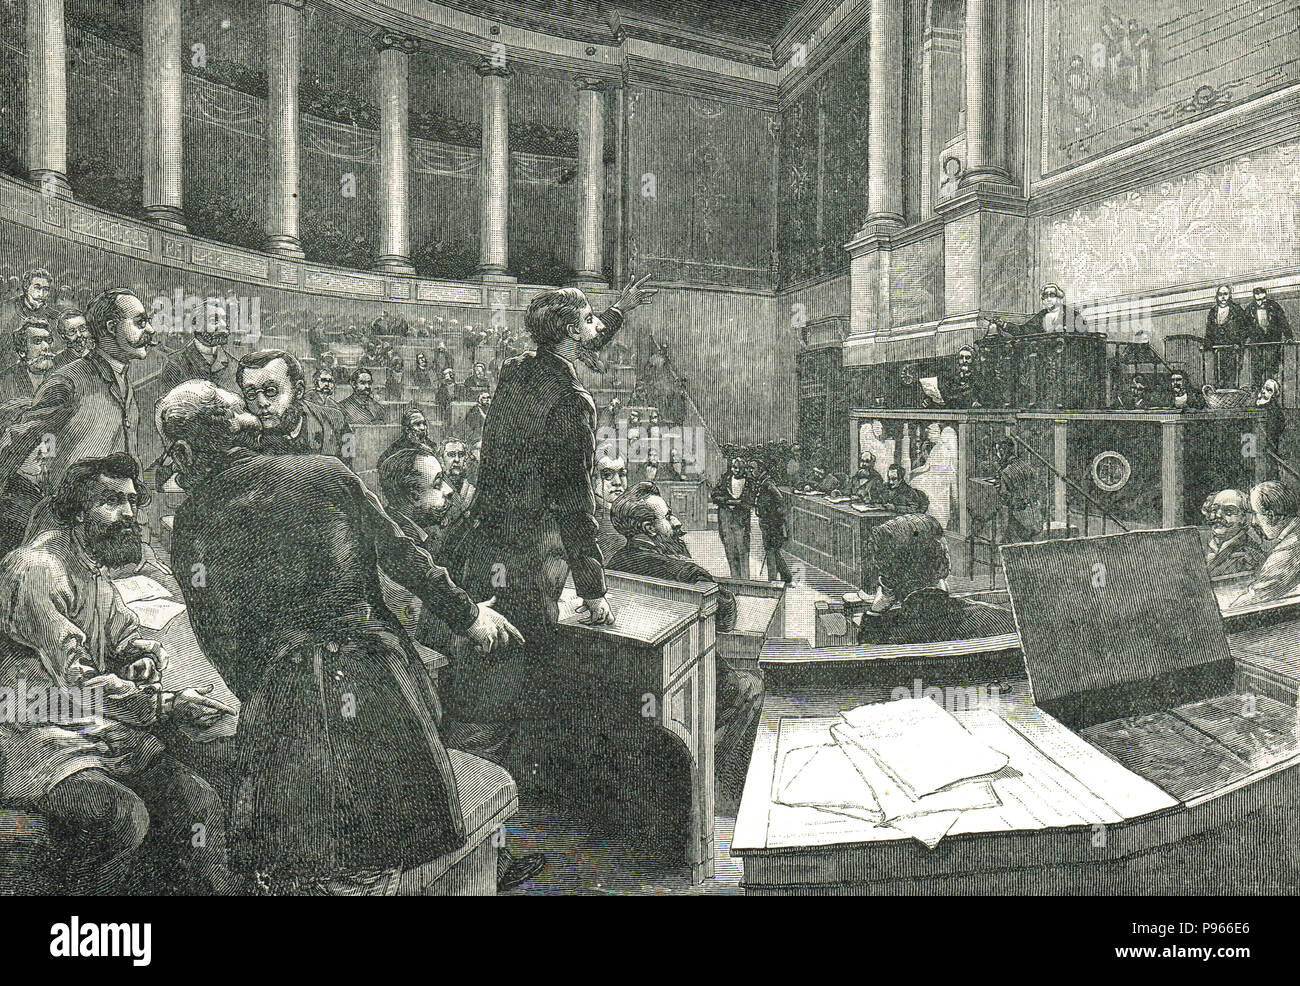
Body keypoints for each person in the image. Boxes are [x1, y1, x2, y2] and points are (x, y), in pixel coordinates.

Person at [158, 380, 524, 894]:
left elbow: (216, 628)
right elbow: (401, 557)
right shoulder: (327, 473)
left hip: (285, 703)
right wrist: (470, 617)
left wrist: (266, 687)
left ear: (185, 451)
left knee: (304, 853)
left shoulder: (193, 517)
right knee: (385, 848)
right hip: (382, 683)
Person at [433, 275, 656, 774]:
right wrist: (593, 587)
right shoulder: (571, 403)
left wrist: (620, 309)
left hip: (489, 546)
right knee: (512, 681)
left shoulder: (517, 373)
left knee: (489, 668)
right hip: (531, 555)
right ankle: (489, 804)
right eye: (589, 320)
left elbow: (587, 338)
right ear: (571, 334)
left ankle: (487, 791)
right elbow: (576, 502)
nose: (596, 329)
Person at [0, 452, 236, 894]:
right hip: (34, 737)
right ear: (76, 510)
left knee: (196, 803)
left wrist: (137, 654)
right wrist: (165, 704)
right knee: (123, 817)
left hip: (98, 731)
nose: (128, 514)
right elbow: (80, 683)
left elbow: (121, 631)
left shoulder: (91, 566)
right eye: (111, 501)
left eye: (131, 501)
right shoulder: (37, 568)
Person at [604, 483, 763, 777]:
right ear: (651, 528)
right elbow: (725, 619)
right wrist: (686, 560)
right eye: (669, 516)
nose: (677, 523)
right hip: (686, 685)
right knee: (752, 686)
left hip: (635, 682)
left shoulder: (614, 564)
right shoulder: (683, 572)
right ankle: (720, 776)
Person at [0, 287, 154, 492]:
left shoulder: (124, 382)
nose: (151, 330)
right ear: (111, 327)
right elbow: (18, 440)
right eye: (140, 323)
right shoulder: (69, 380)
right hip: (70, 516)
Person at [857, 513, 1016, 644]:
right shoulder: (1000, 619)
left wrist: (874, 613)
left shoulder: (882, 633)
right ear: (944, 559)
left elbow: (865, 653)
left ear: (887, 578)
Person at [237, 350, 353, 467]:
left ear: (298, 391)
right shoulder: (241, 435)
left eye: (271, 391)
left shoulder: (336, 422)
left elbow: (349, 475)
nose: (261, 402)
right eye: (251, 393)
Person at [1231, 481, 1300, 609]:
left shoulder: (1290, 549)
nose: (1253, 522)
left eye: (1255, 514)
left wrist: (1231, 607)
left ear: (1271, 516)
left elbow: (1256, 597)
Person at [159, 297, 234, 392]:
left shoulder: (233, 364)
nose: (223, 325)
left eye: (225, 320)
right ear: (196, 325)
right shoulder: (175, 364)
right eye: (214, 320)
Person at [1203, 488, 1265, 578]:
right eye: (1214, 510)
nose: (1218, 515)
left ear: (1244, 517)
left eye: (1228, 511)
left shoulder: (1250, 554)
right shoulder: (1201, 545)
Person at [0, 267, 54, 368]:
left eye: (46, 289)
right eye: (37, 288)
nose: (41, 294)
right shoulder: (5, 310)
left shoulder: (53, 317)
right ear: (26, 286)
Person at [986, 284, 1090, 335]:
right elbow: (1024, 331)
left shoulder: (1071, 314)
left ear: (1059, 297)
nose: (1048, 299)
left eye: (1052, 295)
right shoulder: (1041, 316)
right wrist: (1004, 325)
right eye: (1045, 296)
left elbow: (1082, 331)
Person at [712, 456, 754, 579]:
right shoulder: (725, 479)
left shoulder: (749, 482)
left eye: (738, 468)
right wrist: (726, 501)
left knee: (742, 549)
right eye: (733, 468)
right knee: (730, 548)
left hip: (741, 520)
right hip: (726, 518)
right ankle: (734, 579)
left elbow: (750, 500)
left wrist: (739, 504)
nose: (735, 470)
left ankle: (745, 580)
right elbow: (714, 494)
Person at [1243, 286, 1292, 387]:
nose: (1262, 302)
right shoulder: (1249, 309)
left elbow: (1283, 323)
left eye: (1263, 298)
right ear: (1254, 299)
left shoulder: (1274, 306)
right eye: (1259, 300)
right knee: (1257, 373)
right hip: (1257, 347)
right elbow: (1244, 328)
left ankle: (1272, 397)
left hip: (1272, 344)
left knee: (1272, 373)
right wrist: (1241, 341)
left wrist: (1288, 337)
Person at [993, 438, 1040, 543]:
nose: (997, 454)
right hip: (1035, 514)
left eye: (998, 451)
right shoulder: (1028, 467)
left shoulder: (1006, 472)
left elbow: (1005, 497)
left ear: (1002, 451)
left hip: (1019, 516)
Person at [0, 318, 56, 403]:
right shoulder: (4, 381)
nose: (46, 346)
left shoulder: (60, 373)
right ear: (22, 351)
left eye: (48, 340)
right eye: (37, 341)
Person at [1203, 285, 1249, 390]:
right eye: (1220, 294)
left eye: (1225, 294)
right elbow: (1209, 330)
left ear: (1230, 295)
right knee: (1218, 373)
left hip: (1233, 349)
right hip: (1218, 349)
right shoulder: (1213, 311)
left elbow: (1245, 328)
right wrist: (1209, 345)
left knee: (1232, 373)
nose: (1223, 297)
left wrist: (1239, 342)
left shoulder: (1236, 309)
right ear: (1217, 296)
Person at [754, 461, 792, 583]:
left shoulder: (768, 484)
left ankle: (772, 580)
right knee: (773, 551)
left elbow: (780, 501)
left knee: (771, 551)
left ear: (760, 470)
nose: (750, 470)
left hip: (772, 524)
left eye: (752, 468)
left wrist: (774, 519)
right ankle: (786, 576)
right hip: (766, 523)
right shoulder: (762, 483)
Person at [592, 453, 628, 545]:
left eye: (622, 474)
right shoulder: (593, 521)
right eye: (607, 475)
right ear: (593, 479)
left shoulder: (629, 515)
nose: (618, 482)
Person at [1257, 377, 1286, 459]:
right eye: (1263, 388)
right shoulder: (1256, 403)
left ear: (1274, 394)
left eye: (1269, 390)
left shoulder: (1274, 409)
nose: (1263, 391)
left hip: (1268, 445)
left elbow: (1280, 424)